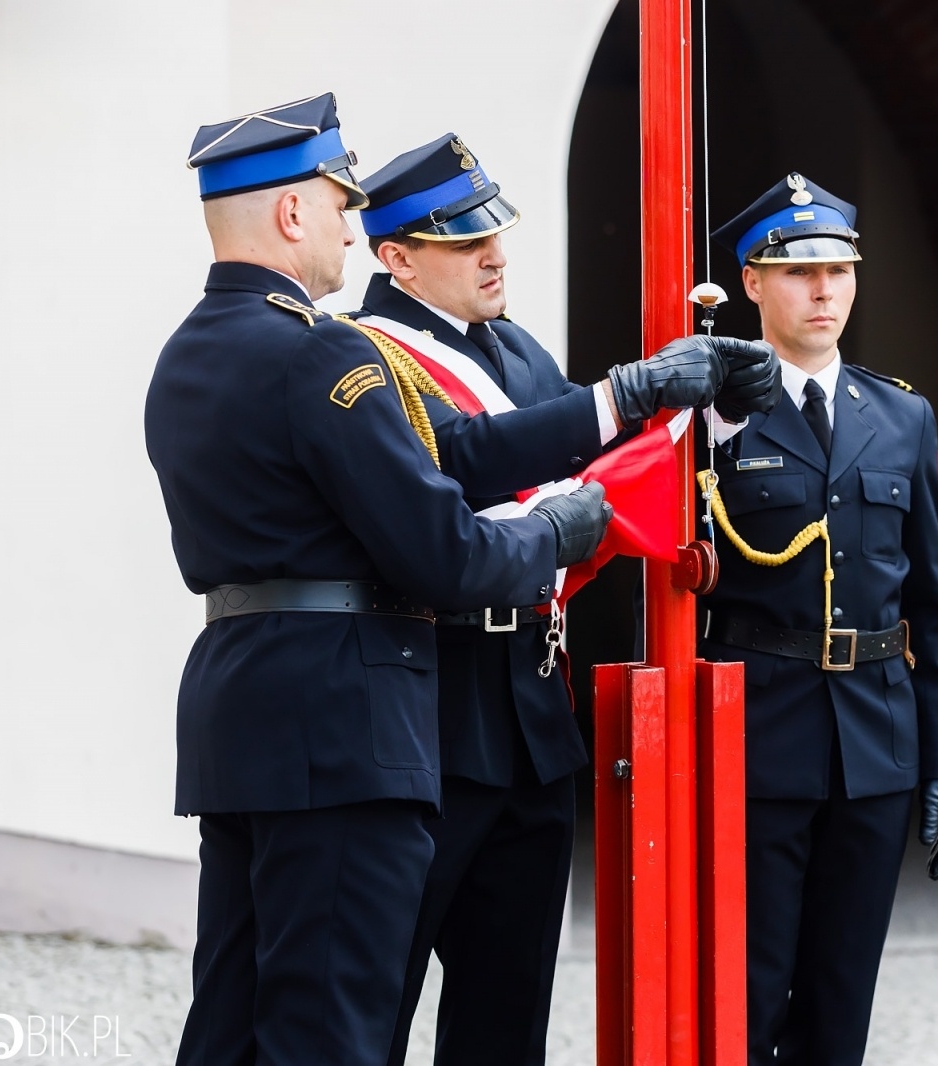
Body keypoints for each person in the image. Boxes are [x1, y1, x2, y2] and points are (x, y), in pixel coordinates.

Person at [144, 95, 613, 1066]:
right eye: (336, 205)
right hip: (345, 730)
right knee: (331, 1032)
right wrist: (556, 530)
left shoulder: (184, 356)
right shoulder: (323, 354)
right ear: (289, 215)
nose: (351, 230)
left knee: (229, 1022)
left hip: (241, 713)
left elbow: (456, 453)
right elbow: (444, 553)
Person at [346, 132, 779, 1065]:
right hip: (430, 706)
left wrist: (717, 407)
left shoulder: (518, 354)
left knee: (508, 1015)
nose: (495, 254)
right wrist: (621, 395)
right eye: (465, 242)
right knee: (374, 1005)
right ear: (397, 258)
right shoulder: (364, 359)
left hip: (529, 708)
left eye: (494, 232)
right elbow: (463, 462)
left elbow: (607, 466)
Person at [700, 172, 938, 1066]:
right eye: (798, 270)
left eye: (840, 270)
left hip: (876, 748)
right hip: (760, 743)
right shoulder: (712, 412)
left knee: (841, 995)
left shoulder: (900, 415)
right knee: (748, 989)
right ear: (752, 283)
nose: (823, 290)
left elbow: (933, 610)